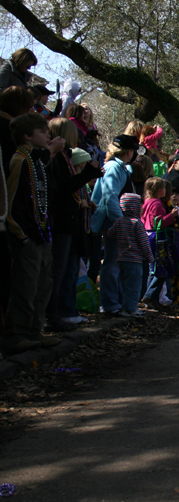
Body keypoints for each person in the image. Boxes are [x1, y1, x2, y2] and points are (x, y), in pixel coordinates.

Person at [1, 113, 65, 356]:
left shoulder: (36, 160)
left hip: (42, 232)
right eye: (42, 132)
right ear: (28, 135)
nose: (47, 135)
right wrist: (20, 233)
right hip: (26, 235)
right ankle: (16, 335)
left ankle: (34, 331)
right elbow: (12, 196)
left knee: (42, 284)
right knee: (25, 287)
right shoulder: (19, 160)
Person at [45, 119, 102, 329]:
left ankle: (68, 310)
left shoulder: (65, 158)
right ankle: (55, 314)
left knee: (70, 270)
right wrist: (88, 174)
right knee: (59, 271)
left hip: (72, 223)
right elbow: (64, 188)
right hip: (62, 223)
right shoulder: (57, 159)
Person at [91, 134, 139, 315]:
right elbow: (110, 197)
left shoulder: (122, 168)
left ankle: (116, 302)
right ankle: (110, 304)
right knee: (112, 264)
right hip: (114, 224)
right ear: (129, 152)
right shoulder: (113, 167)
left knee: (118, 264)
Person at [107, 193, 154, 317]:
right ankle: (131, 309)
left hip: (121, 259)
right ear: (134, 207)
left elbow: (110, 234)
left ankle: (124, 307)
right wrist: (150, 257)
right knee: (134, 286)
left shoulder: (119, 221)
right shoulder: (136, 223)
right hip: (135, 260)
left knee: (123, 284)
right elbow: (144, 242)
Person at [141, 177, 179, 309]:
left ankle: (152, 296)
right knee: (161, 267)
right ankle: (150, 295)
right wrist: (172, 215)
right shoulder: (156, 204)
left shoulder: (147, 202)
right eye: (163, 188)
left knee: (153, 268)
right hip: (157, 238)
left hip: (148, 236)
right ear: (159, 190)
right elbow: (156, 223)